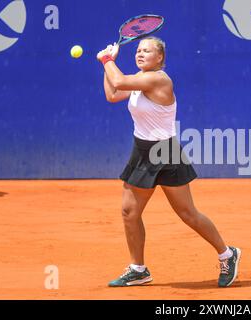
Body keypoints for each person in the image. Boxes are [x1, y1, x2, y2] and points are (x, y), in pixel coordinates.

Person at [96, 37, 241, 287]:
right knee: (129, 212)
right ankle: (138, 269)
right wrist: (106, 65)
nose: (140, 54)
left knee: (188, 214)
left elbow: (118, 80)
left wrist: (107, 59)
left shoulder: (159, 79)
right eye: (138, 50)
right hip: (142, 151)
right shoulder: (139, 79)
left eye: (147, 51)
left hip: (165, 152)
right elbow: (112, 93)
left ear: (160, 57)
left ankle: (228, 254)